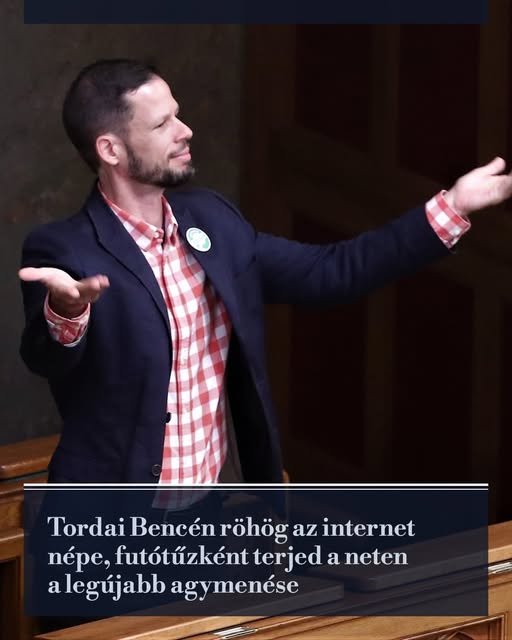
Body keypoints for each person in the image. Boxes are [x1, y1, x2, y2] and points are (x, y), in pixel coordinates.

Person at [18, 58, 512, 488]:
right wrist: (66, 312)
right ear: (110, 150)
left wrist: (454, 206)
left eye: (178, 114)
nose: (185, 130)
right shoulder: (64, 249)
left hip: (213, 514)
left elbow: (333, 272)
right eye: (162, 123)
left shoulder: (213, 221)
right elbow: (46, 359)